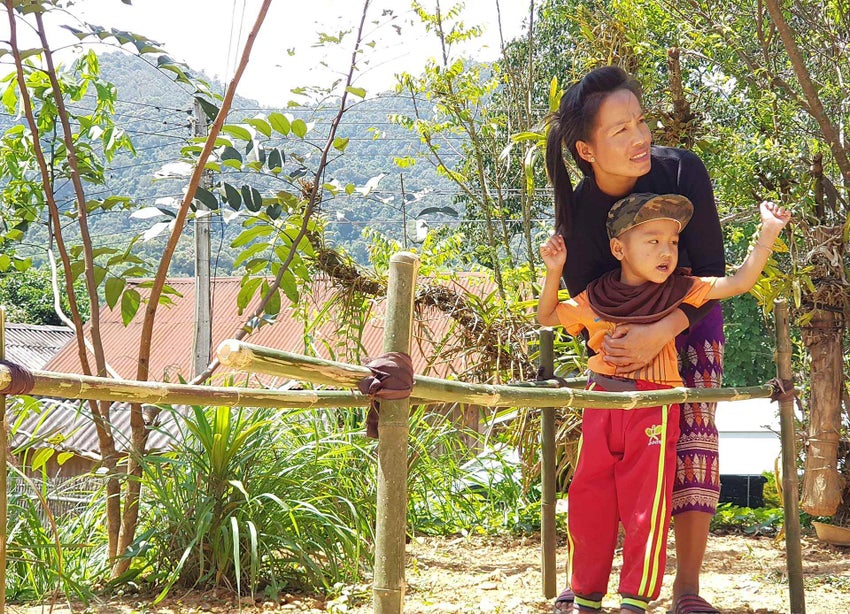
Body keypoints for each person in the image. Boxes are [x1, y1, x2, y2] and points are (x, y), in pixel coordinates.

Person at [537, 193, 790, 613]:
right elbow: (547, 316)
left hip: (654, 407)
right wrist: (554, 272)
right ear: (619, 248)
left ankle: (635, 600)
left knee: (646, 504)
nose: (665, 251)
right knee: (588, 498)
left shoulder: (681, 291)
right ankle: (585, 595)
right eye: (651, 240)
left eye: (672, 242)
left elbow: (739, 282)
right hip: (600, 404)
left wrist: (767, 232)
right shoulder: (593, 297)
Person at [543, 65, 727, 614]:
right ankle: (591, 584)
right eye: (620, 130)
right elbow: (585, 303)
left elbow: (713, 273)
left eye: (641, 122)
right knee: (609, 463)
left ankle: (687, 589)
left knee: (694, 439)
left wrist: (662, 332)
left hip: (691, 324)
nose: (640, 137)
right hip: (617, 346)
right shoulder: (577, 214)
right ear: (586, 149)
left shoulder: (681, 172)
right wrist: (629, 349)